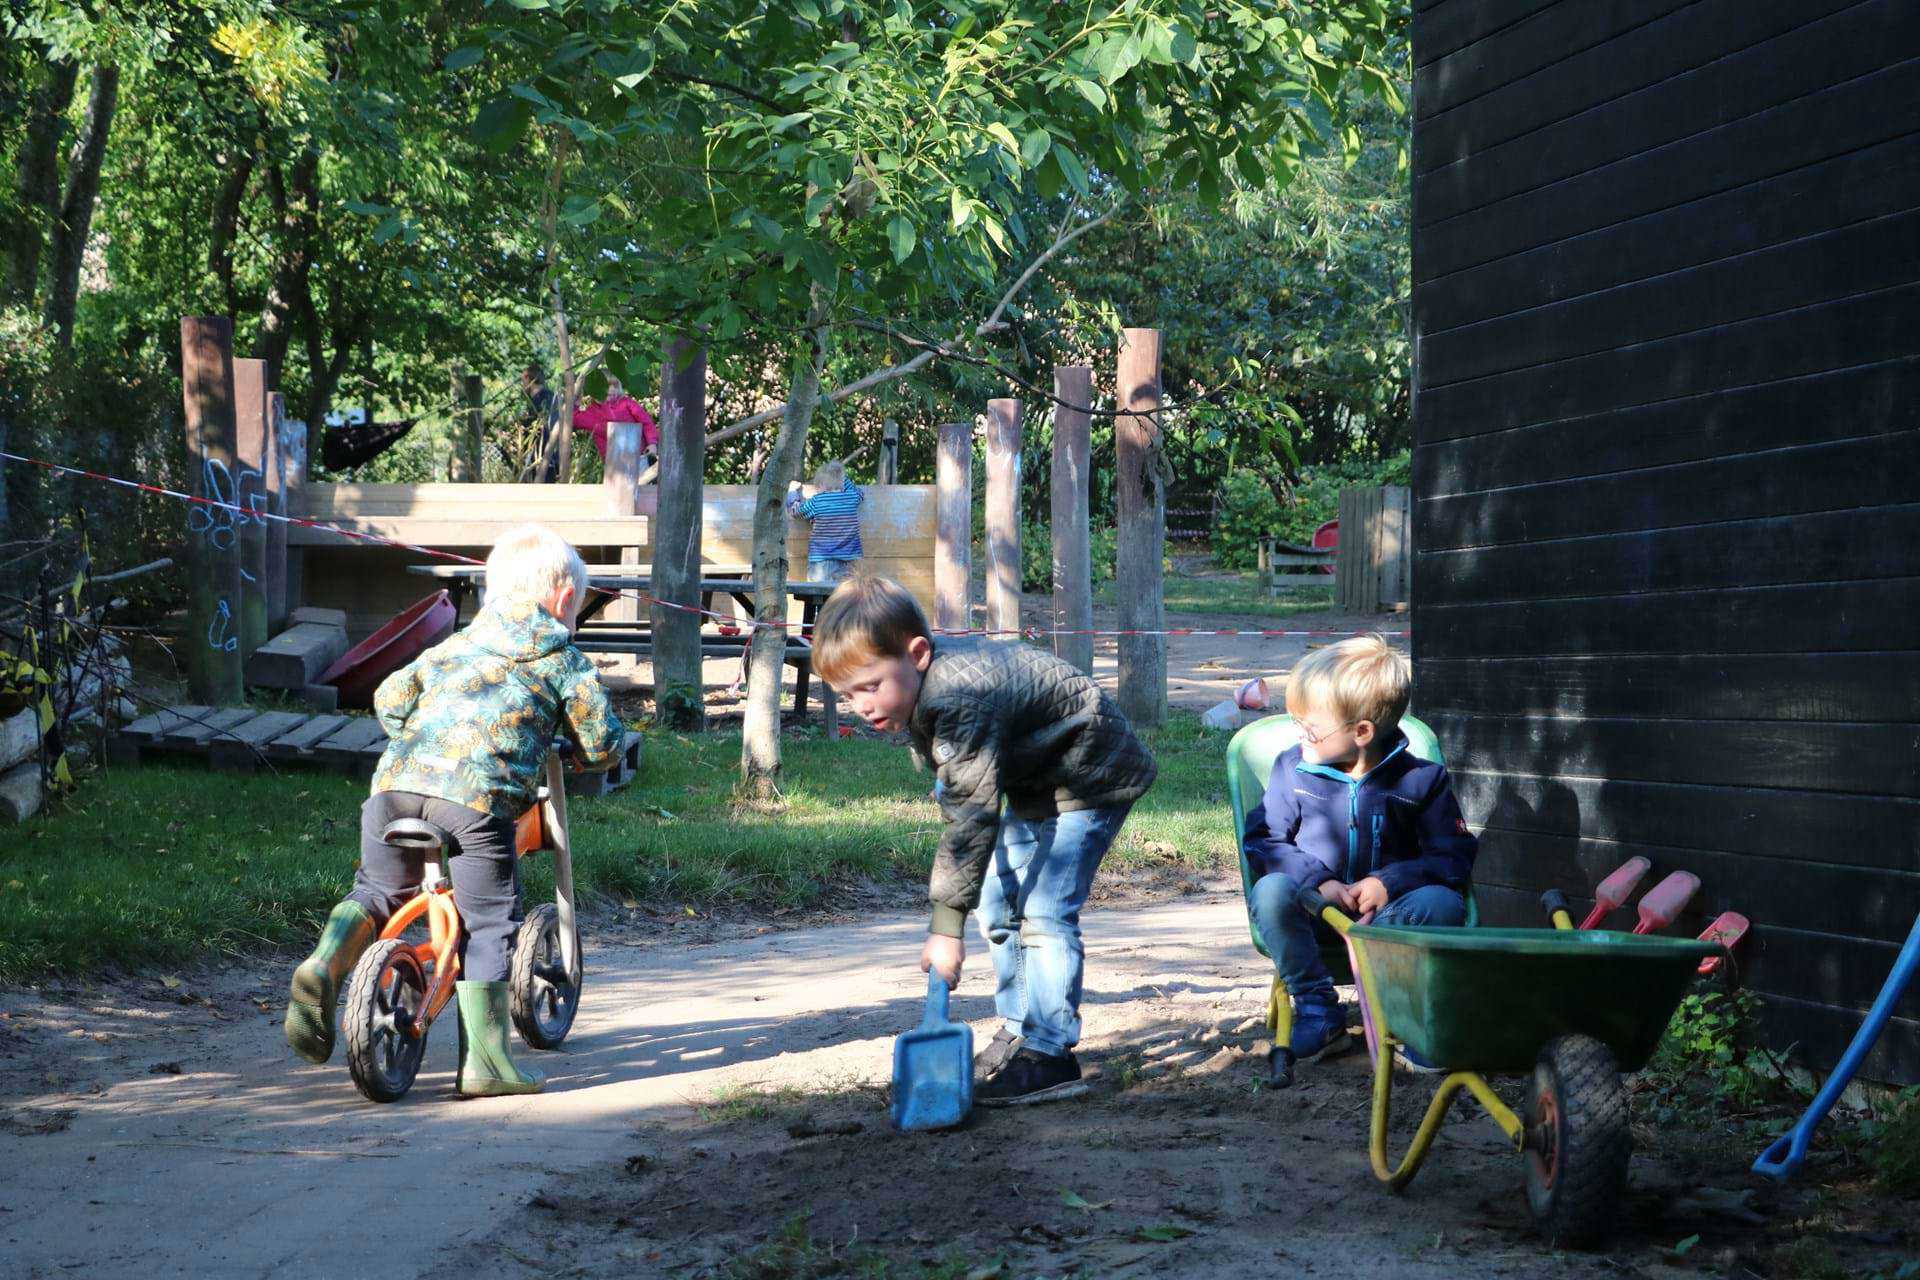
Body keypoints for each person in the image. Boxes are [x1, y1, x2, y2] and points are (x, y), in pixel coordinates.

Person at [283, 524, 623, 1095]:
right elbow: (603, 743)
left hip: (392, 789)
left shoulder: (458, 643)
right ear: (566, 600)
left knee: (374, 891)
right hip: (477, 802)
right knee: (490, 922)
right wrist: (580, 753)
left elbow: (389, 697)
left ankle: (323, 964)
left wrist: (423, 737)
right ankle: (487, 1065)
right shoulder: (564, 658)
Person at [812, 576, 1158, 1106]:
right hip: (1036, 777)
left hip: (1093, 774)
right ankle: (1021, 1027)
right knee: (997, 902)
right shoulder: (926, 689)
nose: (860, 704)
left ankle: (1050, 1054)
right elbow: (965, 780)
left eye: (871, 685)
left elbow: (972, 815)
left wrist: (945, 929)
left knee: (1044, 910)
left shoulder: (957, 695)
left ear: (918, 653)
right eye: (847, 693)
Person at [1241, 635, 1476, 1080]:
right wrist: (1316, 881)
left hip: (1387, 922)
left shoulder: (1422, 781)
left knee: (1444, 903)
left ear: (1362, 732)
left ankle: (1399, 1014)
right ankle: (1318, 1009)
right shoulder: (1293, 769)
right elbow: (1263, 840)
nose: (1299, 734)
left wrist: (1390, 881)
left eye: (1310, 727)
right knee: (1271, 889)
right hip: (1314, 915)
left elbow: (1454, 854)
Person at [785, 459, 864, 583]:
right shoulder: (852, 497)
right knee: (846, 599)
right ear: (842, 483)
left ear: (821, 485)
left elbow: (796, 512)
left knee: (818, 596)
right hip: (850, 561)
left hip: (821, 563)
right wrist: (843, 479)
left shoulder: (817, 501)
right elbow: (859, 493)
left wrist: (792, 493)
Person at [573, 376, 659, 462]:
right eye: (607, 385)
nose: (612, 389)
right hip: (615, 465)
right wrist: (576, 402)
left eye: (615, 385)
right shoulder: (591, 413)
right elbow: (574, 419)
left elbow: (646, 422)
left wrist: (652, 443)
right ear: (595, 390)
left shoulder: (626, 403)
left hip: (641, 456)